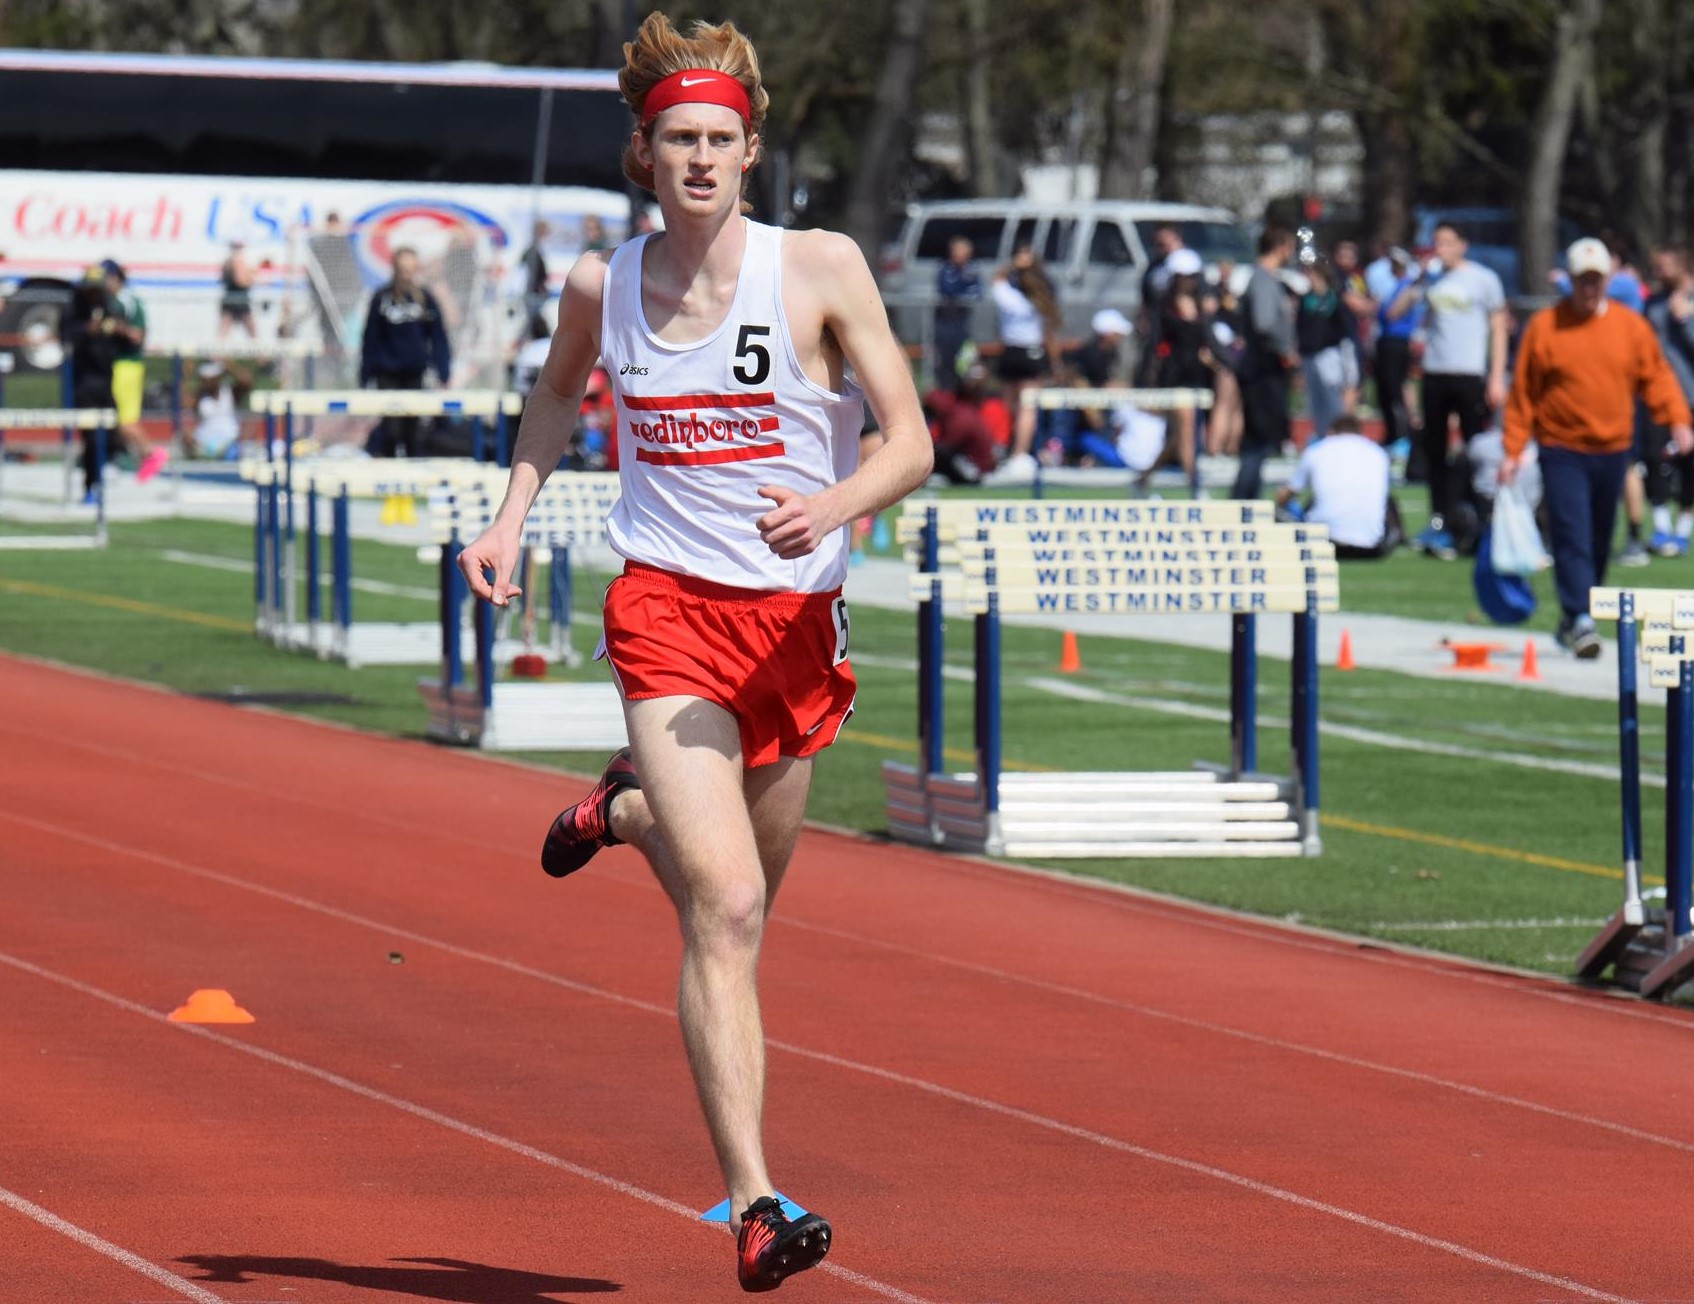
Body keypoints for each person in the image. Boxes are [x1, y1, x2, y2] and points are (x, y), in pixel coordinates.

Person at [453, 13, 931, 1291]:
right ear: (644, 153)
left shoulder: (819, 267)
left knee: (749, 901)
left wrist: (833, 504)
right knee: (719, 908)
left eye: (721, 138)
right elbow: (557, 394)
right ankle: (757, 1203)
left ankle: (620, 810)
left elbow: (911, 439)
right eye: (678, 140)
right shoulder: (597, 285)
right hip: (665, 612)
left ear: (750, 149)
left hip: (795, 626)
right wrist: (508, 514)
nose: (702, 159)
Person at [1501, 237, 1692, 658]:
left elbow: (1656, 377)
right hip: (1561, 447)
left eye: (1596, 281)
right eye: (1582, 281)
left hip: (1612, 448)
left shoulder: (1629, 327)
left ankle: (1576, 614)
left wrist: (1678, 419)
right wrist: (1513, 449)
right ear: (1570, 281)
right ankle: (1582, 617)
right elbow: (1523, 394)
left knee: (1602, 537)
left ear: (1606, 281)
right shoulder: (1546, 327)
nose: (1589, 289)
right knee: (1572, 534)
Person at [1388, 221, 1509, 560]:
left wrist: (1496, 376)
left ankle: (1474, 519)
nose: (1440, 248)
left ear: (1462, 245)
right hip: (1436, 372)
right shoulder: (1431, 280)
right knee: (1435, 452)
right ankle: (1439, 521)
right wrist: (1418, 280)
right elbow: (1394, 312)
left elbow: (1498, 328)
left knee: (1476, 451)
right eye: (1436, 242)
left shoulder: (1483, 279)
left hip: (1469, 373)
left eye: (1446, 242)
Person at [359, 247, 451, 458]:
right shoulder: (381, 298)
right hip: (387, 373)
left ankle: (411, 479)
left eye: (411, 270)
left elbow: (437, 336)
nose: (407, 275)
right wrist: (366, 373)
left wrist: (443, 369)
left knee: (412, 429)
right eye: (403, 270)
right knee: (391, 429)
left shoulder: (424, 299)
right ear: (395, 270)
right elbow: (370, 338)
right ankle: (390, 475)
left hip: (414, 372)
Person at [982, 243, 1060, 483]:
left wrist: (1014, 264)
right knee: (1025, 407)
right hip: (1028, 352)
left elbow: (997, 278)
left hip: (1012, 352)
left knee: (1012, 405)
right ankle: (1017, 452)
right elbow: (1048, 334)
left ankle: (1010, 449)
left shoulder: (1009, 295)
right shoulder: (1038, 301)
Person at [1275, 411, 1401, 559]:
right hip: (1372, 547)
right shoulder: (1378, 453)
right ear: (1360, 432)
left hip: (1321, 543)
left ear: (1331, 432)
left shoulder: (1317, 450)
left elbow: (1285, 494)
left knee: (1280, 511)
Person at [1232, 224, 1298, 500]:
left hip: (1263, 366)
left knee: (1260, 438)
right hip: (1263, 368)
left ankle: (1246, 497)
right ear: (1281, 246)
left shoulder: (1267, 279)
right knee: (1259, 438)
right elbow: (1263, 322)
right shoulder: (1262, 279)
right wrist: (1284, 348)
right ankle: (1243, 500)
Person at [1643, 244, 1694, 555]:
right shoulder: (1653, 302)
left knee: (1691, 466)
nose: (1658, 272)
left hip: (1690, 397)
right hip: (1658, 398)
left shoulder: (1685, 305)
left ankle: (1683, 532)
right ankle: (1661, 529)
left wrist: (1685, 321)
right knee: (1653, 458)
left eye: (1664, 267)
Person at [101, 259, 165, 480]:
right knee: (117, 417)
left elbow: (137, 334)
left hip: (127, 364)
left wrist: (115, 328)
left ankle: (150, 453)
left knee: (126, 420)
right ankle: (128, 455)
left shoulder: (125, 301)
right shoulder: (113, 299)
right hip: (119, 364)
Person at [63, 266, 121, 503]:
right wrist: (88, 330)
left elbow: (120, 339)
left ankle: (102, 473)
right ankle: (90, 487)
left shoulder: (108, 306)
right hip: (84, 382)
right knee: (91, 438)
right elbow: (66, 338)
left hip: (106, 380)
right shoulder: (74, 309)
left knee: (113, 435)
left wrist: (121, 331)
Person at [1295, 261, 1357, 452]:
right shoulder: (1305, 300)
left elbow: (1346, 332)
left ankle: (1337, 437)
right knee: (1315, 402)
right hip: (1309, 355)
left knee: (1332, 400)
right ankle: (1322, 436)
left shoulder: (1334, 300)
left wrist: (1350, 366)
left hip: (1329, 355)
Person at [1372, 246, 1421, 455]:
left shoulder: (1408, 287)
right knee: (1384, 390)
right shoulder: (1392, 287)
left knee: (1396, 389)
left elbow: (1392, 313)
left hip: (1398, 342)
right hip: (1385, 340)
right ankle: (1391, 433)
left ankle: (1403, 433)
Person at [932, 234, 981, 391]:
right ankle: (945, 392)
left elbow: (977, 293)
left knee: (965, 362)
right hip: (946, 324)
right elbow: (948, 291)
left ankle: (962, 392)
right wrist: (963, 284)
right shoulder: (945, 270)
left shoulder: (971, 270)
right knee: (945, 362)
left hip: (963, 324)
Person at [519, 220, 553, 341]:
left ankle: (520, 342)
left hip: (537, 291)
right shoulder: (533, 249)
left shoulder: (538, 248)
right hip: (534, 291)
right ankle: (519, 343)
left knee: (533, 320)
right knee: (533, 320)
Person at [218, 242, 257, 340]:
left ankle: (217, 354)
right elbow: (241, 281)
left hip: (233, 300)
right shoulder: (236, 261)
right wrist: (252, 277)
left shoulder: (229, 262)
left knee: (223, 334)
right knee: (252, 334)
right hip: (237, 300)